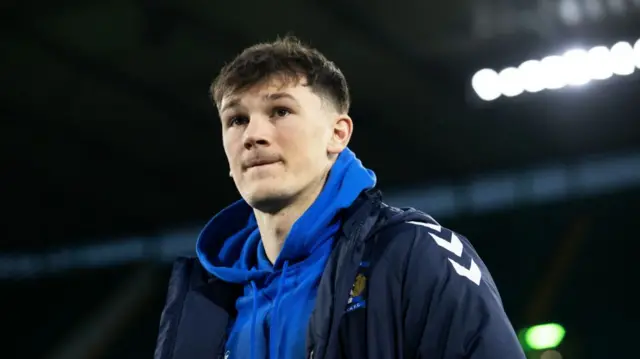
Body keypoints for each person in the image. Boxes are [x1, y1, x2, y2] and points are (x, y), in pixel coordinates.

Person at [154, 36, 526, 359]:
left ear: (338, 134)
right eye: (236, 120)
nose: (253, 135)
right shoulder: (201, 299)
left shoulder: (414, 253)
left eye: (280, 111)